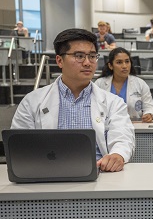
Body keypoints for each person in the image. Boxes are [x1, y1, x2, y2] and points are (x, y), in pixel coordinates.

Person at [11, 28, 135, 172]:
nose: (88, 63)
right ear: (59, 60)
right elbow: (19, 146)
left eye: (92, 56)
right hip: (47, 177)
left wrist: (117, 155)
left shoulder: (114, 102)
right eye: (79, 56)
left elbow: (123, 136)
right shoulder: (32, 101)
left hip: (100, 176)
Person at [95, 47, 153, 123]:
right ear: (110, 66)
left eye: (127, 61)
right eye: (119, 62)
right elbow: (94, 109)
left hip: (134, 127)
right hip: (106, 128)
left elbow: (149, 107)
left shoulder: (140, 84)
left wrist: (149, 114)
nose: (124, 66)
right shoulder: (99, 84)